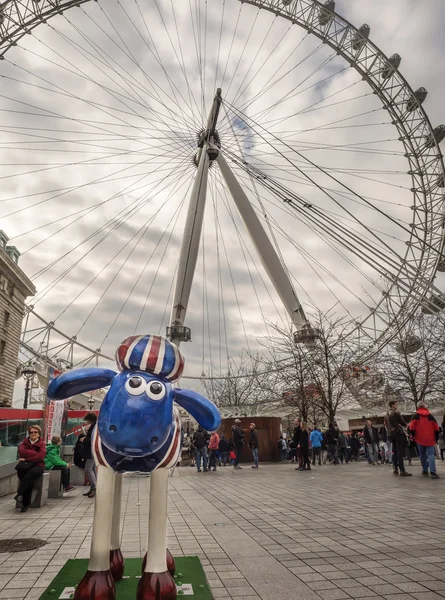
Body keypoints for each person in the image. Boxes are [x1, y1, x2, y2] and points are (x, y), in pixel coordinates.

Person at [14, 425, 46, 512]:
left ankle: (20, 495)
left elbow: (40, 457)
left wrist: (27, 458)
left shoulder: (42, 444)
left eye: (35, 432)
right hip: (25, 465)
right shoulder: (24, 442)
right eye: (31, 432)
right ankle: (25, 503)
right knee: (26, 478)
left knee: (30, 475)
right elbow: (21, 452)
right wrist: (34, 454)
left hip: (38, 465)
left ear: (39, 434)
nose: (33, 434)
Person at [409, 402, 440, 479]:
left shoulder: (415, 416)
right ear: (425, 407)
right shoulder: (430, 416)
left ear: (418, 407)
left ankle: (425, 470)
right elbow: (436, 428)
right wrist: (436, 438)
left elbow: (411, 427)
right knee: (431, 454)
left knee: (422, 455)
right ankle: (433, 472)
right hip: (430, 438)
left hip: (419, 438)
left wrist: (413, 436)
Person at [385, 400, 411, 477]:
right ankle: (402, 470)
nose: (397, 406)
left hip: (391, 434)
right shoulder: (395, 412)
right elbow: (401, 421)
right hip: (397, 433)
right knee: (400, 452)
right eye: (396, 404)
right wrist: (407, 425)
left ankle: (395, 469)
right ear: (392, 405)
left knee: (394, 451)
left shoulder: (387, 414)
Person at [82, 412, 98, 497]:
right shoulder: (96, 425)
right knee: (93, 469)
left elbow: (91, 439)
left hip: (90, 451)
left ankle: (94, 487)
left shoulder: (93, 426)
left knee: (88, 469)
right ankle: (93, 487)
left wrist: (84, 440)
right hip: (94, 451)